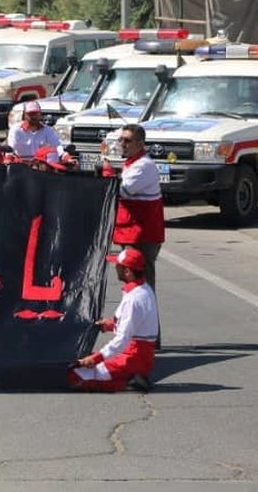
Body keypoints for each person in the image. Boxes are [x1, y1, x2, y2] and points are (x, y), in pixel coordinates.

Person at [67, 247, 157, 393]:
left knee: (74, 376)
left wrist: (95, 358)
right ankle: (130, 378)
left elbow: (122, 339)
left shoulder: (134, 299)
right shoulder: (144, 289)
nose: (115, 268)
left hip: (130, 358)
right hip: (138, 355)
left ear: (127, 271)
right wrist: (109, 325)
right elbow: (135, 325)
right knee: (79, 361)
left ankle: (128, 383)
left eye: (118, 266)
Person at [102, 124, 165, 296]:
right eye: (121, 139)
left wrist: (108, 174)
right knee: (130, 282)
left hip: (141, 235)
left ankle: (147, 321)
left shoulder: (144, 165)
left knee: (142, 286)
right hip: (131, 231)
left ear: (140, 143)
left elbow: (124, 190)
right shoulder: (131, 164)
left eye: (127, 140)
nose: (122, 143)